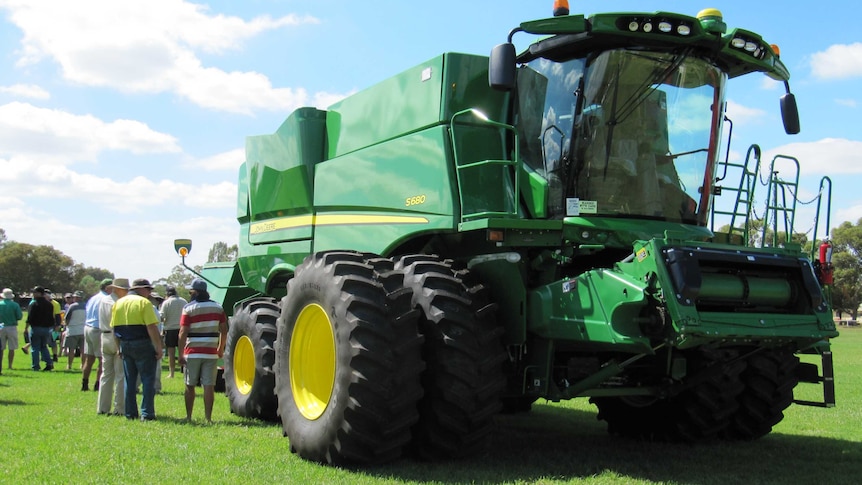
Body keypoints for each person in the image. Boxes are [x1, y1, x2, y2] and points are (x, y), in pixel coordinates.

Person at [111, 278, 162, 421]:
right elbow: (151, 327)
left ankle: (130, 413)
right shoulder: (144, 303)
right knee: (147, 379)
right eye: (148, 290)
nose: (149, 293)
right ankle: (147, 413)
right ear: (141, 289)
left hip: (125, 343)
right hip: (143, 343)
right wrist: (158, 346)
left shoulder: (118, 303)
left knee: (130, 380)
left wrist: (118, 347)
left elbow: (114, 329)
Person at [178, 278, 227, 423]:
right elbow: (224, 330)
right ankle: (208, 418)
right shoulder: (218, 307)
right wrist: (220, 348)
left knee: (190, 385)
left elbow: (183, 332)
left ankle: (188, 416)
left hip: (192, 352)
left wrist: (180, 353)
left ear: (195, 292)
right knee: (209, 386)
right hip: (211, 352)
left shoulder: (188, 308)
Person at [98, 278, 126, 415]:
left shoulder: (104, 300)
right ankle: (119, 408)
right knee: (120, 375)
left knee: (106, 374)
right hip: (115, 337)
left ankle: (102, 407)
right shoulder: (117, 303)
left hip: (104, 336)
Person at [82, 279, 112, 391]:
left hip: (88, 327)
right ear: (107, 288)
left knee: (89, 359)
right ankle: (98, 384)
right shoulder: (105, 299)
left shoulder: (93, 298)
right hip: (97, 328)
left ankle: (84, 384)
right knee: (101, 359)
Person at [23, 286, 56, 371]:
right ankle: (49, 363)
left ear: (39, 293)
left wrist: (26, 328)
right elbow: (51, 318)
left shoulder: (34, 304)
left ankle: (36, 366)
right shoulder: (49, 304)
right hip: (46, 329)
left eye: (35, 292)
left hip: (36, 328)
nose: (33, 294)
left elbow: (30, 318)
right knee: (43, 347)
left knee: (35, 348)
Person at [159, 286, 187, 379]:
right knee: (183, 352)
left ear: (167, 294)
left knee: (171, 353)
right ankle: (184, 371)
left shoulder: (166, 303)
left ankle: (172, 373)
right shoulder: (183, 301)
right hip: (182, 329)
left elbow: (162, 317)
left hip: (170, 329)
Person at [0, 288, 24, 373]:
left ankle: (1, 365)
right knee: (12, 347)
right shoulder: (15, 305)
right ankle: (10, 365)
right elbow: (19, 316)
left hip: (1, 326)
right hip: (12, 327)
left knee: (1, 348)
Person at [63, 291, 86, 370]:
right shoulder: (87, 306)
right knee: (83, 350)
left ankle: (69, 365)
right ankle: (83, 365)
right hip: (83, 330)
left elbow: (67, 318)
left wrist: (66, 326)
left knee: (71, 349)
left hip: (73, 330)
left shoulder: (72, 306)